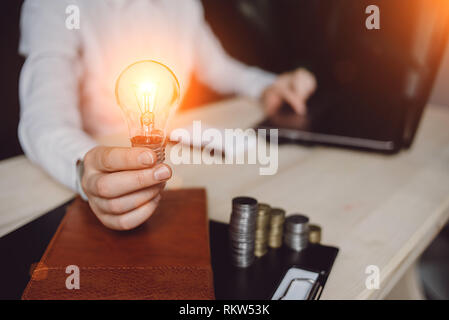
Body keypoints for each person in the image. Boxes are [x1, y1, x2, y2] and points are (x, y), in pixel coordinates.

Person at [18, 0, 316, 230]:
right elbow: (43, 120)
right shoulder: (58, 6)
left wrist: (266, 86)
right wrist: (87, 168)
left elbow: (217, 66)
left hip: (184, 164)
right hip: (106, 168)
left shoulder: (181, 4)